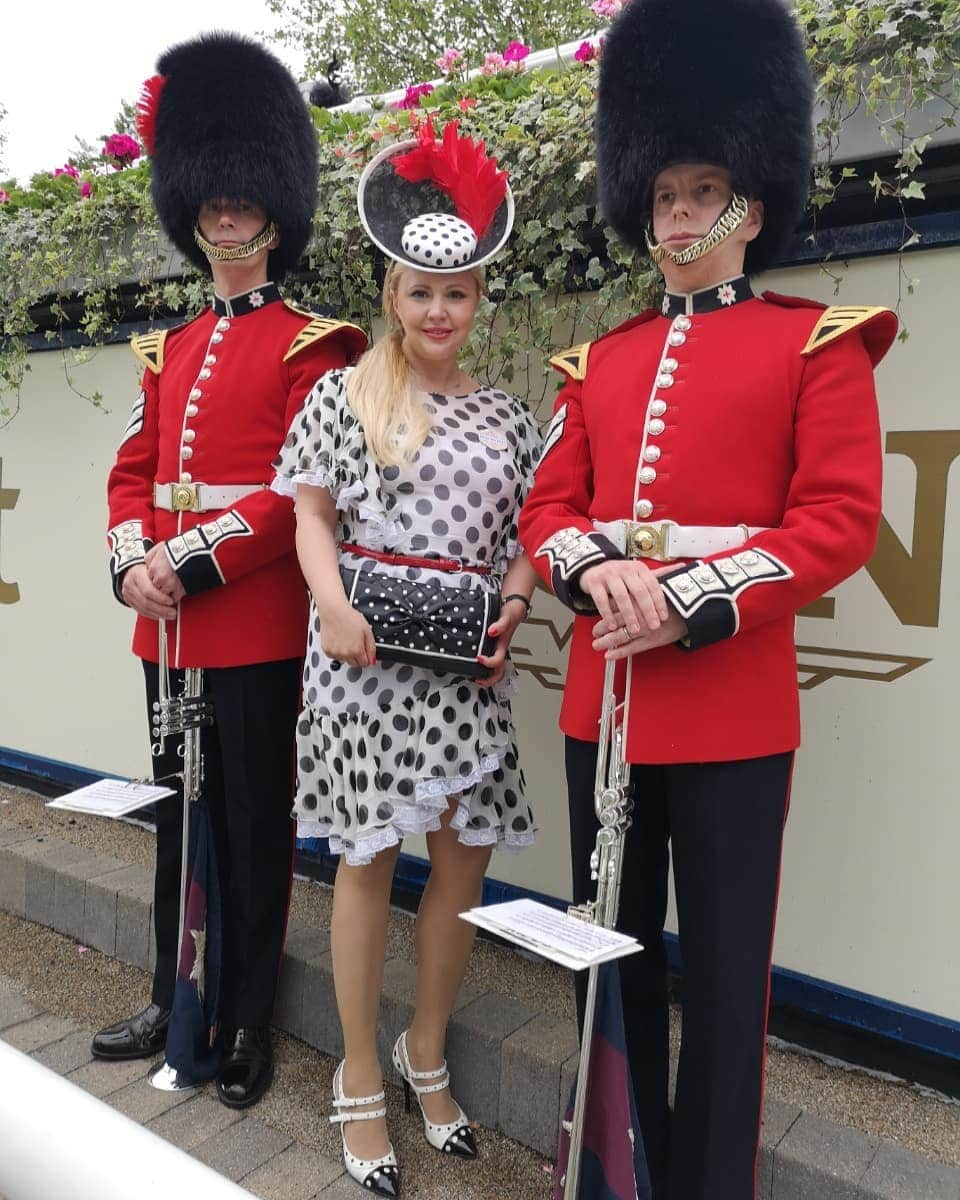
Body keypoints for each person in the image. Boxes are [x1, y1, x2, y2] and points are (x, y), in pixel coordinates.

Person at [518, 2, 898, 1197]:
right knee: (609, 959)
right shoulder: (602, 361)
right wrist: (598, 572)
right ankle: (615, 1174)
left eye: (701, 190)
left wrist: (690, 599)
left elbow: (835, 523)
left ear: (751, 203)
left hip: (730, 707)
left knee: (729, 980)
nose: (677, 215)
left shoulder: (818, 346)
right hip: (609, 709)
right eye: (664, 193)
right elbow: (549, 512)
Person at [97, 32, 366, 1111]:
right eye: (208, 202)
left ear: (273, 211)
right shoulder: (166, 350)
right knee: (179, 814)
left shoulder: (316, 347)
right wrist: (131, 566)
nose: (225, 216)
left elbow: (296, 495)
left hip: (251, 623)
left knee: (255, 826)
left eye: (243, 201)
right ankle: (177, 996)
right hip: (163, 627)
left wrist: (187, 561)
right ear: (192, 211)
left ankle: (245, 1019)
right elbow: (128, 473)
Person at [273, 120, 539, 1196]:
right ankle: (357, 1080)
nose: (439, 309)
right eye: (422, 289)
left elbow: (528, 535)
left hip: (464, 672)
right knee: (366, 865)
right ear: (394, 293)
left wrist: (516, 602)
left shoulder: (511, 417)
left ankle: (424, 1052)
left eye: (459, 292)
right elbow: (308, 515)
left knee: (459, 867)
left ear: (478, 302)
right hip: (361, 663)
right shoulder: (343, 395)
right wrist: (331, 605)